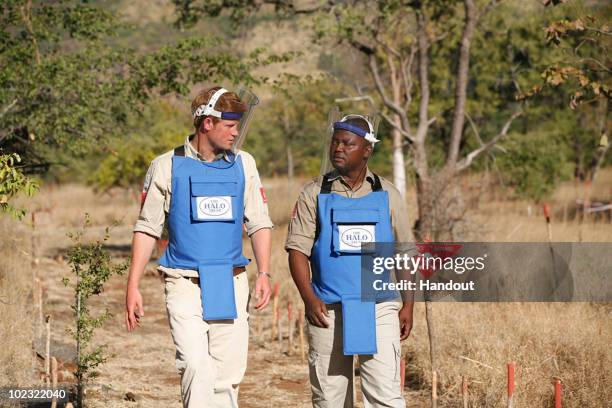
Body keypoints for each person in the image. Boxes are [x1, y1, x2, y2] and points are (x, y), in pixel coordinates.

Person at [125, 86, 273, 408]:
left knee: (225, 378)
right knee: (195, 365)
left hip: (231, 281)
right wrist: (133, 285)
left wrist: (263, 273)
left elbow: (259, 221)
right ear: (207, 123)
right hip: (183, 282)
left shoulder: (244, 164)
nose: (236, 133)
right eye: (230, 126)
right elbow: (147, 228)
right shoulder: (166, 165)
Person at [286, 113, 417, 408]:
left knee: (385, 396)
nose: (338, 149)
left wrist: (408, 303)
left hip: (380, 308)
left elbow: (404, 253)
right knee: (329, 398)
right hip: (328, 310)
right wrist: (309, 298)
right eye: (335, 142)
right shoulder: (314, 193)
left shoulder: (388, 194)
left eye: (348, 143)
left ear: (367, 150)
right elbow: (297, 251)